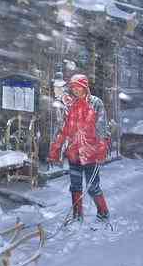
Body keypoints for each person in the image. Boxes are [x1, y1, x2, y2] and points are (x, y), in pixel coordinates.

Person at [47, 74, 111, 222]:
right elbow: (64, 129)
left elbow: (102, 126)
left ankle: (103, 212)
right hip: (74, 153)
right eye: (73, 87)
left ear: (85, 87)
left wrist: (102, 147)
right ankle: (77, 215)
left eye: (79, 87)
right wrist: (56, 148)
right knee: (75, 186)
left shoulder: (96, 103)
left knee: (92, 186)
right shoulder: (70, 105)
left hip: (91, 153)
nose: (76, 90)